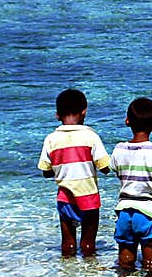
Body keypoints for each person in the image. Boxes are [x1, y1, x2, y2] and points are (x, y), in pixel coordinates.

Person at [110, 97, 152, 277]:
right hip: (150, 214)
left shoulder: (119, 150)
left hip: (125, 212)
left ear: (127, 121)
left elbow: (120, 174)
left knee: (125, 264)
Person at [38, 88, 110, 257]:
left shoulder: (51, 139)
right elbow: (105, 168)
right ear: (84, 111)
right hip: (89, 197)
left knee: (68, 243)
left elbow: (46, 172)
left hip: (65, 198)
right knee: (88, 244)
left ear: (57, 115)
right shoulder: (91, 136)